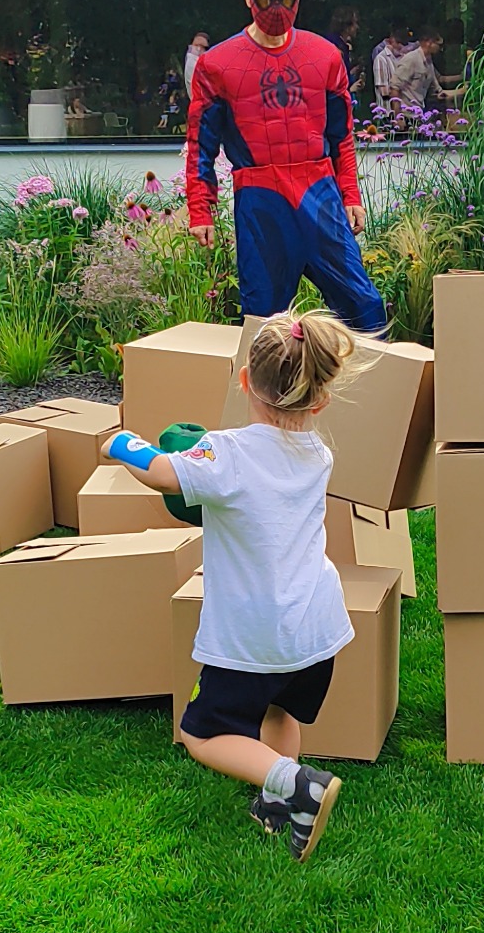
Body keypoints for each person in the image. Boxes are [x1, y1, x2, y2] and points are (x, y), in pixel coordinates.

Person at [104, 311, 362, 860]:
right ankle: (281, 805)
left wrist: (120, 444)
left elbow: (163, 472)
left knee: (203, 733)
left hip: (254, 636)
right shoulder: (318, 453)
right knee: (279, 713)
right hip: (313, 625)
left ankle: (296, 785)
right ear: (320, 401)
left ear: (244, 379)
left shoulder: (226, 453)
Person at [185, 0, 386, 333]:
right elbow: (201, 146)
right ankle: (266, 394)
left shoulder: (325, 57)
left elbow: (341, 135)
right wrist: (200, 209)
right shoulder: (217, 65)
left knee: (364, 307)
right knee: (264, 322)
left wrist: (350, 195)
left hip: (317, 192)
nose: (277, 7)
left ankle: (374, 392)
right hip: (261, 199)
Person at [390, 26, 446, 112]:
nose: (440, 48)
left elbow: (438, 91)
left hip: (419, 113)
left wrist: (462, 90)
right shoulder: (411, 59)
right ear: (429, 42)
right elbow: (395, 87)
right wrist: (398, 117)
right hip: (406, 114)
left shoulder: (429, 62)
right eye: (439, 44)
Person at [371, 21, 413, 106]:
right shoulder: (381, 59)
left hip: (404, 111)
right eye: (399, 43)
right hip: (388, 112)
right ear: (391, 41)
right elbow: (384, 92)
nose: (402, 47)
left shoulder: (402, 58)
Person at [325, 6, 362, 96]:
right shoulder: (335, 47)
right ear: (346, 26)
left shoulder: (342, 45)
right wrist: (349, 90)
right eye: (355, 23)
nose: (357, 27)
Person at [184, 30, 209, 99]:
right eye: (196, 45)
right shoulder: (191, 60)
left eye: (202, 47)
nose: (198, 49)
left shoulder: (202, 62)